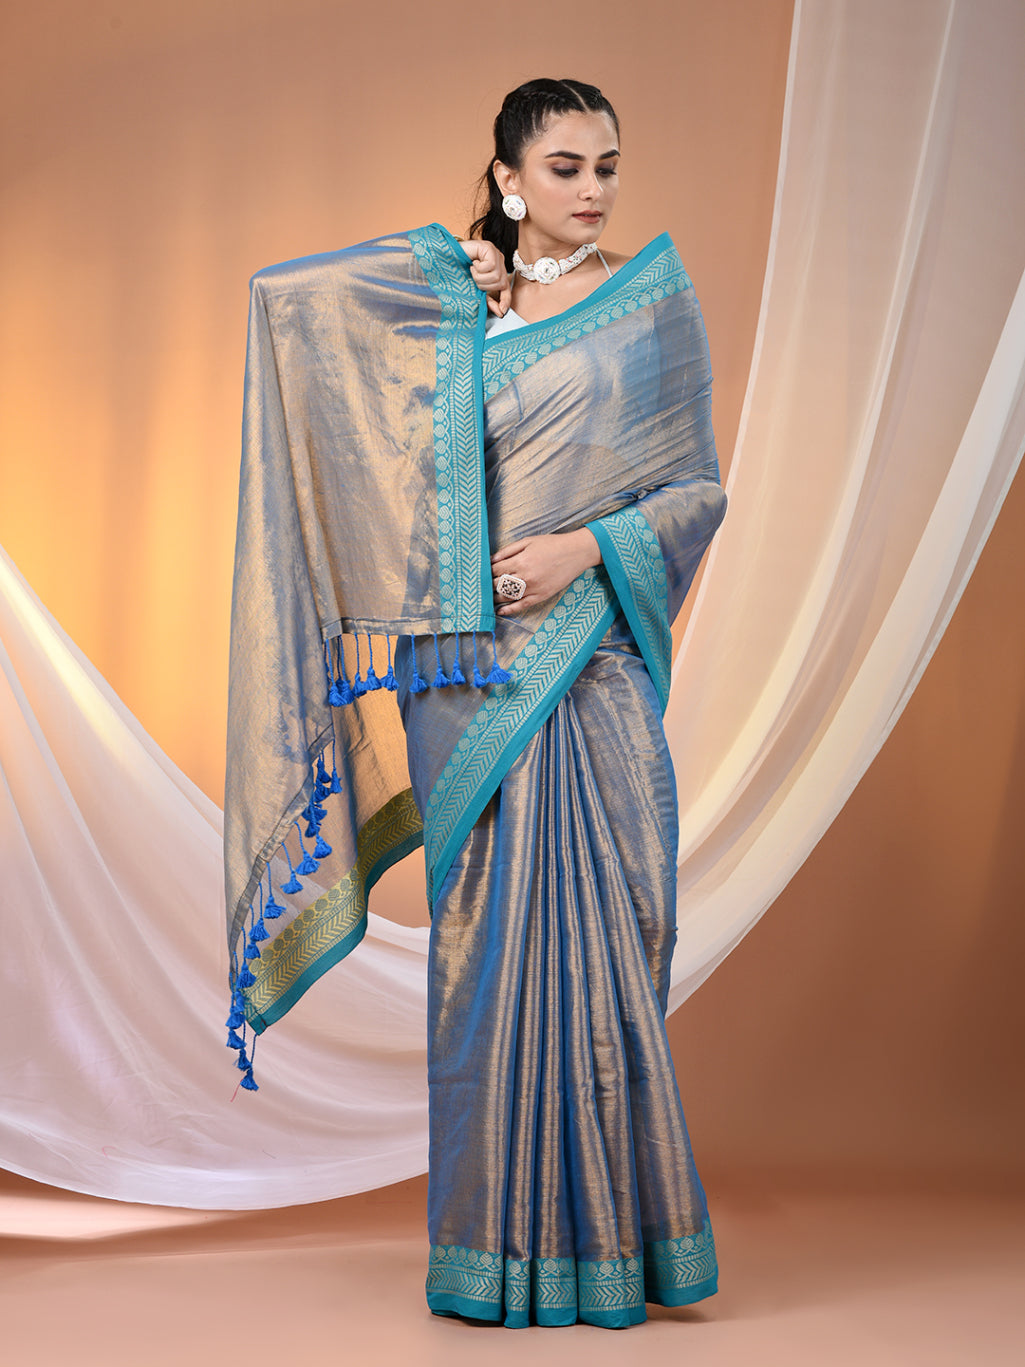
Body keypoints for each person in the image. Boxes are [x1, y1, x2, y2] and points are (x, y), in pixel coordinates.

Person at [224, 77, 727, 1330]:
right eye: (562, 167)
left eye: (605, 165)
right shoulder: (454, 315)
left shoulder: (652, 306)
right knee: (485, 965)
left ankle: (609, 1248)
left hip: (590, 662)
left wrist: (582, 549)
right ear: (507, 177)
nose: (591, 189)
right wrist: (437, 269)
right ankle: (492, 1252)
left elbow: (695, 492)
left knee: (610, 943)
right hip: (469, 677)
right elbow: (287, 307)